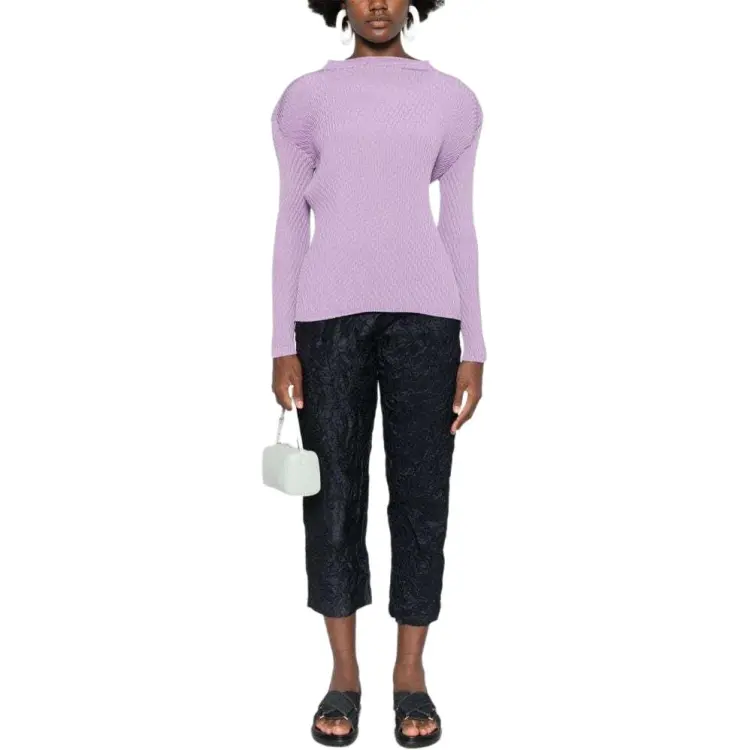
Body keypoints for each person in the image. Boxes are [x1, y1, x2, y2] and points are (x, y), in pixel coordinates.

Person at [269, 1, 486, 745]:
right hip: (326, 320)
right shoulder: (306, 100)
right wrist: (282, 340)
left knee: (423, 495)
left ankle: (410, 672)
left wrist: (475, 345)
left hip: (429, 321)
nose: (378, 4)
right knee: (331, 498)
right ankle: (343, 672)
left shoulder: (453, 101)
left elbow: (458, 224)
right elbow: (290, 222)